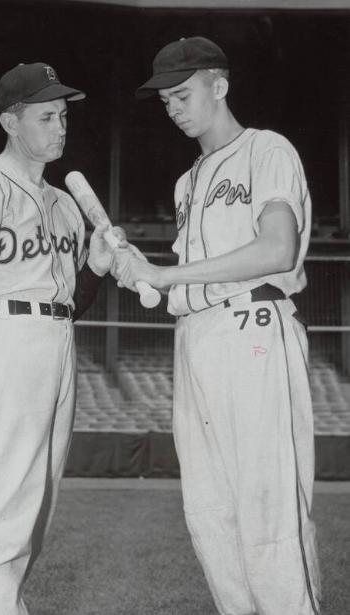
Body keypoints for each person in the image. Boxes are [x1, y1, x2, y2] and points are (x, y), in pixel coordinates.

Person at [115, 36, 321, 615]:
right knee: (209, 511)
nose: (174, 107)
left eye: (183, 93)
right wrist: (134, 270)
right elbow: (178, 284)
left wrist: (167, 272)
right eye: (165, 101)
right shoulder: (187, 182)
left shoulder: (266, 149)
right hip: (197, 338)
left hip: (255, 327)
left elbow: (277, 249)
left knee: (268, 509)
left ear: (219, 85)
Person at [0, 62, 118, 615]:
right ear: (11, 122)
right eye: (46, 116)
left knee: (34, 514)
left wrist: (99, 270)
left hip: (52, 345)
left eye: (63, 115)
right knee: (3, 516)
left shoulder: (64, 206)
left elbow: (67, 306)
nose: (60, 126)